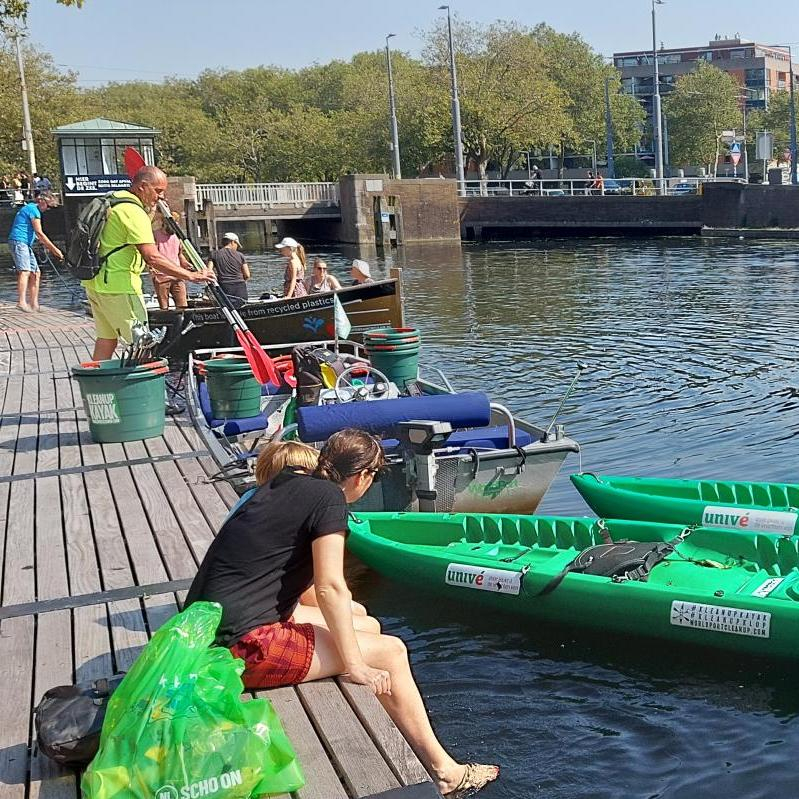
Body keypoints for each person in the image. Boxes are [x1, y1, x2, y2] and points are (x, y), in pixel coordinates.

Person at [185, 429, 499, 798]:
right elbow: (329, 586)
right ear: (363, 475)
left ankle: (395, 717)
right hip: (242, 648)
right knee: (391, 652)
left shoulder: (287, 482)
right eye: (375, 477)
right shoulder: (331, 500)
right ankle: (447, 773)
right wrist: (356, 665)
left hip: (207, 628)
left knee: (365, 623)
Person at [84, 165, 214, 361]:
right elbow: (151, 256)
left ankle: (94, 388)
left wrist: (151, 210)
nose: (161, 197)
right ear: (143, 187)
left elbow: (126, 233)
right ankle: (142, 391)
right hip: (121, 286)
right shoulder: (133, 213)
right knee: (141, 345)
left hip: (96, 283)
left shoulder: (116, 201)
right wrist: (191, 275)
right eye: (158, 191)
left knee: (107, 340)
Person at [8, 192, 62, 312]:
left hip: (25, 244)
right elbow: (39, 233)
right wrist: (55, 250)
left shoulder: (31, 209)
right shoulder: (33, 210)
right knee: (25, 271)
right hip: (19, 242)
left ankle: (34, 304)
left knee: (36, 273)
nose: (48, 209)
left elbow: (34, 233)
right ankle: (21, 302)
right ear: (42, 201)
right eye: (48, 206)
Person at [150, 207, 190, 310]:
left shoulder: (177, 236)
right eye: (173, 224)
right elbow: (151, 254)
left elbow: (179, 254)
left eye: (176, 223)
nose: (175, 226)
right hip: (161, 276)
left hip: (177, 275)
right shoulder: (156, 235)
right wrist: (151, 269)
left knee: (183, 306)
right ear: (165, 223)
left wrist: (185, 263)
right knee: (164, 307)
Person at [207, 232, 250, 305]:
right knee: (241, 304)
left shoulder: (214, 254)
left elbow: (209, 272)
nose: (237, 247)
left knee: (226, 305)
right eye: (237, 245)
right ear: (233, 242)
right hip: (240, 288)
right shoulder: (240, 255)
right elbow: (247, 275)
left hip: (224, 288)